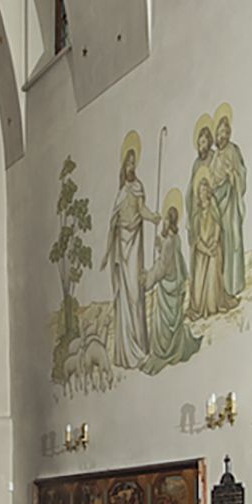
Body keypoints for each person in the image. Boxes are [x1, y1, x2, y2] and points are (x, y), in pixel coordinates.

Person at [103, 144, 156, 370]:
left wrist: (153, 217)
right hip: (121, 247)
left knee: (135, 292)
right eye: (128, 164)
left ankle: (139, 346)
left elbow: (142, 210)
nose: (131, 167)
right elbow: (112, 224)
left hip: (134, 244)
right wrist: (107, 252)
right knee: (124, 295)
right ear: (123, 167)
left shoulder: (138, 187)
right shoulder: (120, 193)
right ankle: (126, 351)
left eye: (134, 163)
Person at [142, 201, 201, 372]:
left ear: (170, 222)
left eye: (166, 219)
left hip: (168, 288)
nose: (164, 222)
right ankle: (173, 347)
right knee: (172, 321)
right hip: (175, 284)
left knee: (163, 323)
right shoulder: (175, 239)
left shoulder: (169, 242)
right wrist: (160, 247)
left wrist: (147, 279)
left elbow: (162, 267)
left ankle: (164, 351)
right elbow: (172, 260)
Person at [187, 124, 224, 319]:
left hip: (212, 241)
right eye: (199, 143)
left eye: (204, 142)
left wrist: (213, 243)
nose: (201, 147)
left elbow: (217, 222)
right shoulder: (196, 165)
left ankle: (214, 301)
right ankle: (198, 304)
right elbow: (190, 192)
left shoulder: (215, 158)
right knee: (199, 271)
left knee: (214, 263)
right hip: (202, 243)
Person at [211, 111, 247, 305]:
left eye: (225, 132)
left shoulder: (233, 150)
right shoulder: (215, 156)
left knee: (232, 241)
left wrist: (231, 174)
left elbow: (240, 173)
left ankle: (233, 285)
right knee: (220, 246)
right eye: (220, 133)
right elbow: (211, 180)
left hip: (230, 204)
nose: (222, 136)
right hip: (217, 204)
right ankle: (220, 288)